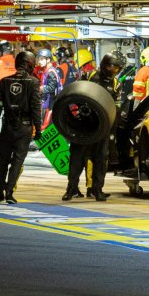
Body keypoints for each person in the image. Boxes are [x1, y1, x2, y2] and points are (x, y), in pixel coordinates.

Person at [0, 51, 41, 204]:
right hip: (24, 128)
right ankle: (9, 191)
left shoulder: (4, 81)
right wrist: (38, 128)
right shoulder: (33, 82)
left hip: (7, 126)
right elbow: (35, 107)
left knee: (2, 160)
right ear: (30, 64)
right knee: (17, 161)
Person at [64, 61, 114, 202]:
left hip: (102, 127)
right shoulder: (90, 75)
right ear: (104, 65)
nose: (113, 70)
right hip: (84, 125)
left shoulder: (116, 83)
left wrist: (111, 130)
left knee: (100, 159)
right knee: (77, 158)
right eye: (111, 66)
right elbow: (75, 93)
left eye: (116, 68)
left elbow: (115, 107)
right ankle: (71, 188)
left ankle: (97, 190)